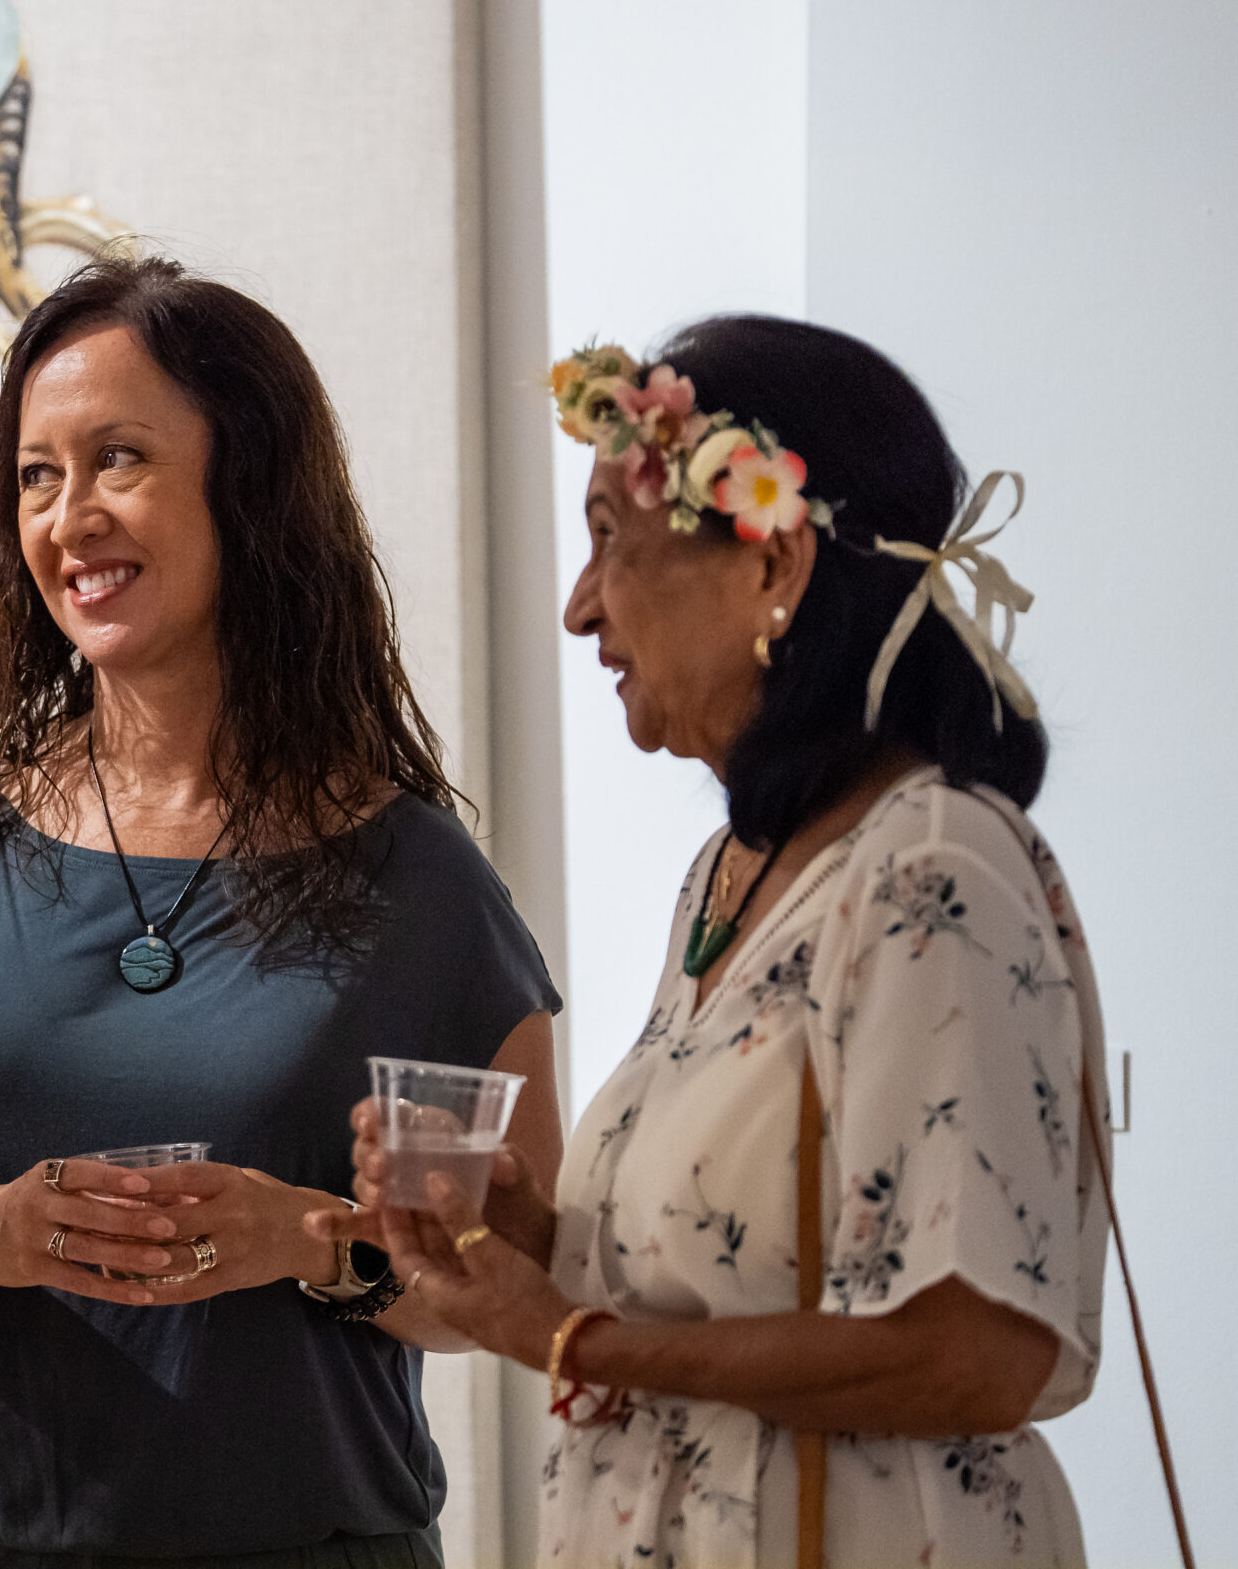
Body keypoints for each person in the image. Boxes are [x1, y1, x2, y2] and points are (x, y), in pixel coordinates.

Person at [0, 257, 564, 1569]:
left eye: (118, 458)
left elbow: (498, 1281)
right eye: (34, 474)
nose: (69, 517)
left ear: (249, 489)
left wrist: (301, 1237)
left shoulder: (416, 883)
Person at [330, 318, 1105, 1566]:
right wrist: (531, 1239)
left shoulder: (931, 867)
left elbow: (975, 1347)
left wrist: (572, 1338)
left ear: (774, 562)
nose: (581, 606)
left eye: (608, 541)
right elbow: (743, 1273)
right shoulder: (723, 879)